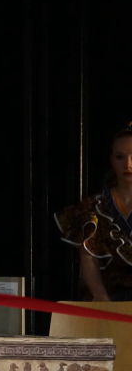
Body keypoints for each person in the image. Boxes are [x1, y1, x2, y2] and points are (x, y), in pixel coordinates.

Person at [55, 123, 132, 301]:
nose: (128, 164)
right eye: (120, 157)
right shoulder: (95, 206)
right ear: (111, 160)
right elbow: (88, 257)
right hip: (108, 296)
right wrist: (101, 297)